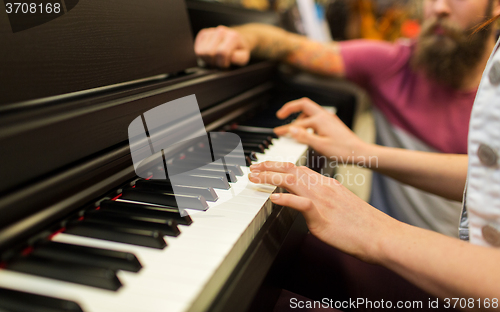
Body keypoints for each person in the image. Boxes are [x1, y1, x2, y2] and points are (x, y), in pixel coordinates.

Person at [245, 11, 500, 311]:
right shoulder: (398, 63)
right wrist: (359, 151)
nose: (439, 7)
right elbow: (486, 176)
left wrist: (376, 231)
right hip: (448, 270)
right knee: (277, 258)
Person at [194, 0, 499, 237]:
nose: (439, 8)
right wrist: (237, 37)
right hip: (390, 266)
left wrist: (362, 153)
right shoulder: (395, 65)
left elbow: (488, 177)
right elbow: (289, 45)